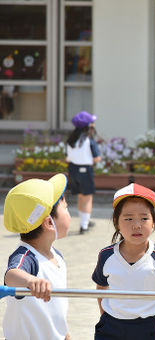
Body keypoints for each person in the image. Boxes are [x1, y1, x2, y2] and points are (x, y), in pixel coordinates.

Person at [91, 183, 155, 340]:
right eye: (128, 218)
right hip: (110, 327)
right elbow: (101, 287)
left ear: (154, 222)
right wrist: (105, 314)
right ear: (116, 222)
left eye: (144, 218)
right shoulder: (106, 255)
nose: (136, 225)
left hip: (147, 328)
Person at [3, 173, 71, 340]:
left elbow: (57, 307)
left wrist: (65, 334)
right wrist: (31, 281)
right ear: (49, 223)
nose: (69, 213)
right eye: (66, 208)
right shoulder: (26, 257)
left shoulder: (57, 256)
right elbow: (12, 275)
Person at [66, 111, 101, 234]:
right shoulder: (89, 140)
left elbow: (68, 157)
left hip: (73, 169)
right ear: (89, 126)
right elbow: (97, 158)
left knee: (80, 196)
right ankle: (84, 225)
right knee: (87, 198)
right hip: (85, 170)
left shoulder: (71, 139)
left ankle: (84, 220)